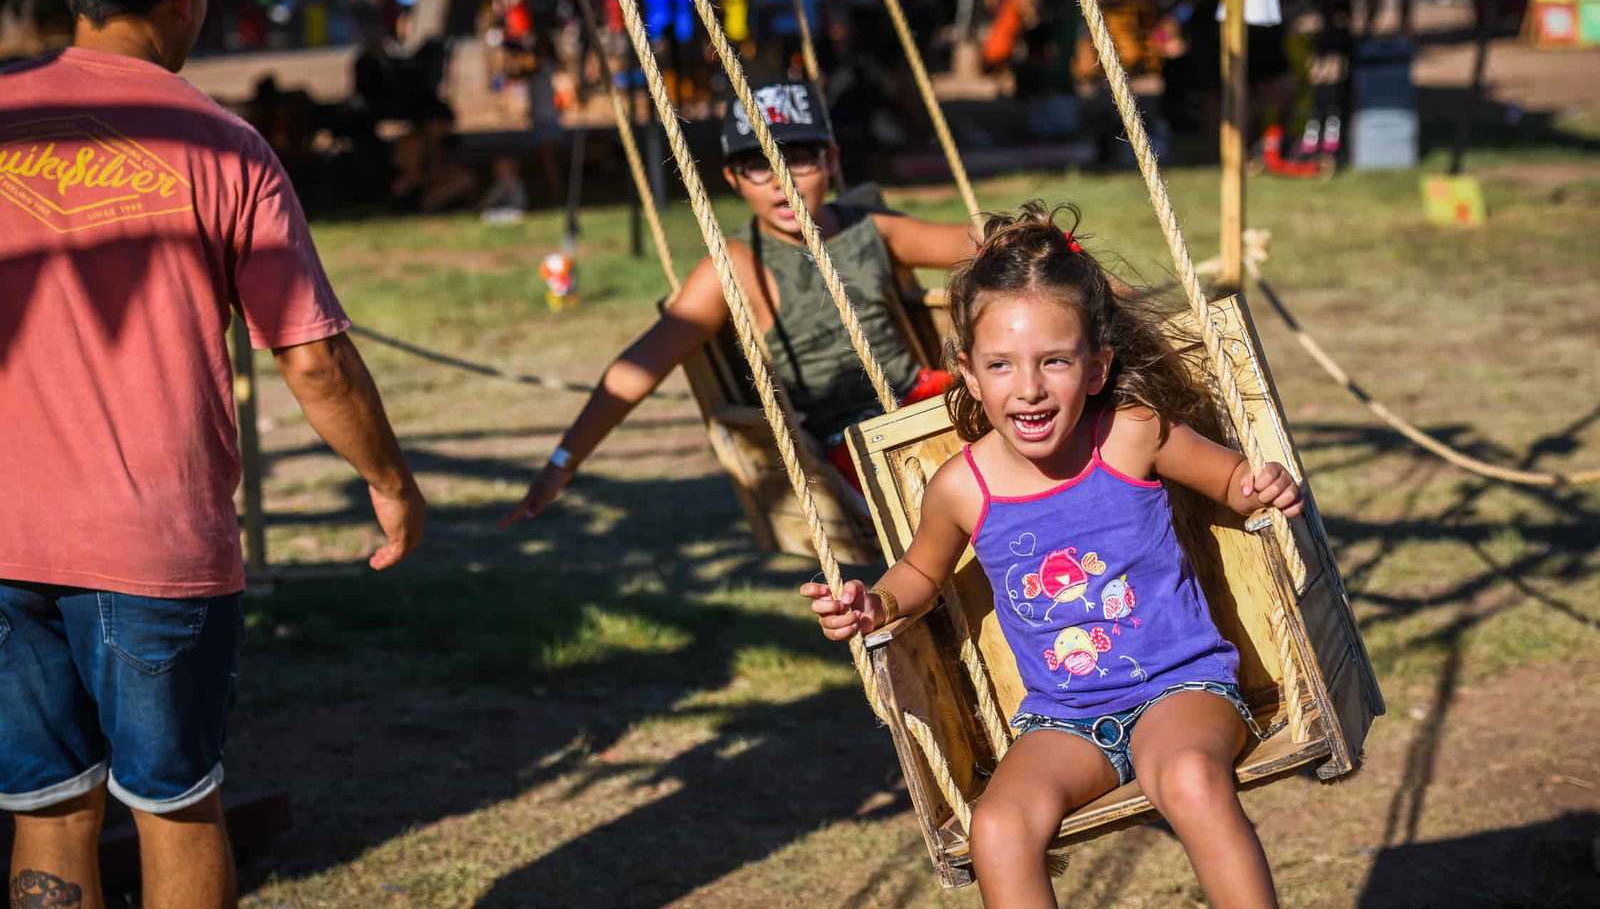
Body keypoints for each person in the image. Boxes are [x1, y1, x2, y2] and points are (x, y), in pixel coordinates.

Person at [0, 0, 426, 909]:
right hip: (152, 546)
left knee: (46, 811)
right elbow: (313, 358)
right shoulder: (222, 147)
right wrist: (390, 481)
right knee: (176, 807)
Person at [801, 204, 1302, 909]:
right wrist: (874, 603)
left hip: (1182, 691)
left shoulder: (1131, 433)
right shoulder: (963, 487)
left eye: (1055, 362)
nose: (1029, 387)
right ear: (969, 374)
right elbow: (920, 573)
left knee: (1189, 778)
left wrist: (1260, 486)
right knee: (998, 827)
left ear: (1097, 367)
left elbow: (1230, 480)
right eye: (1001, 365)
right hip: (1063, 719)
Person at [500, 79, 978, 526]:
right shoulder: (733, 268)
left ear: (831, 159)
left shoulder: (867, 227)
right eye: (759, 165)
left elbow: (979, 243)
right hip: (852, 444)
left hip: (927, 398)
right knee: (955, 497)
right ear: (733, 178)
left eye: (798, 158)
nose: (780, 180)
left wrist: (1024, 232)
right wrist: (562, 462)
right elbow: (637, 368)